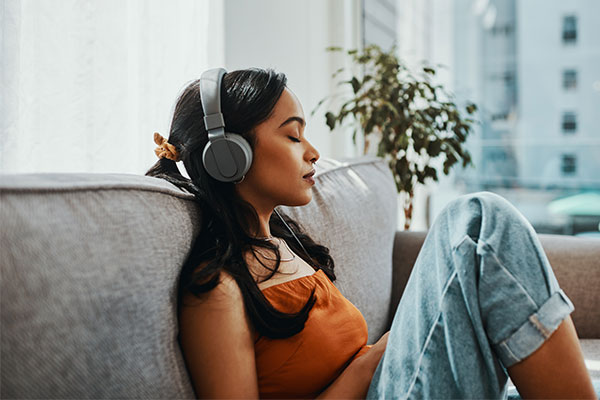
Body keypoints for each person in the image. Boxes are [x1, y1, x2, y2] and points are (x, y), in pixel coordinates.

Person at [145, 67, 596, 399]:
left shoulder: (286, 247)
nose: (314, 152)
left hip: (391, 381)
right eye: (294, 136)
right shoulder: (217, 292)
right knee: (476, 223)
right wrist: (363, 368)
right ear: (230, 156)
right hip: (379, 386)